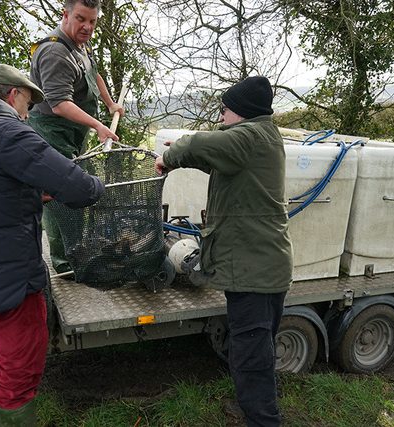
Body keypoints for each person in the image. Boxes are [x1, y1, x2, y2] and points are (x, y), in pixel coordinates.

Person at [0, 63, 105, 426]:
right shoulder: (8, 132)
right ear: (13, 95)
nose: (27, 114)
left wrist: (28, 193)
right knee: (18, 376)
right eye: (28, 104)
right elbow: (79, 188)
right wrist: (98, 186)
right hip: (10, 288)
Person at [154, 76, 293, 426]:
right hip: (262, 266)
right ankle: (257, 410)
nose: (220, 117)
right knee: (256, 350)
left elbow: (200, 142)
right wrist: (183, 155)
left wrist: (171, 156)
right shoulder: (261, 136)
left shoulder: (249, 136)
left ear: (241, 112)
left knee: (251, 357)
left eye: (224, 110)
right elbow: (217, 159)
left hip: (253, 271)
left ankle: (263, 420)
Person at [29, 0, 124, 274]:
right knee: (60, 194)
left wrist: (110, 104)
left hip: (71, 132)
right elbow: (59, 104)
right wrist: (98, 125)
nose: (87, 27)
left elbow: (94, 75)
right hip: (51, 132)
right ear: (66, 15)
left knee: (74, 188)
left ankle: (78, 250)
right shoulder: (55, 52)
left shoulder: (80, 45)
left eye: (92, 21)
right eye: (81, 19)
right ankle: (65, 263)